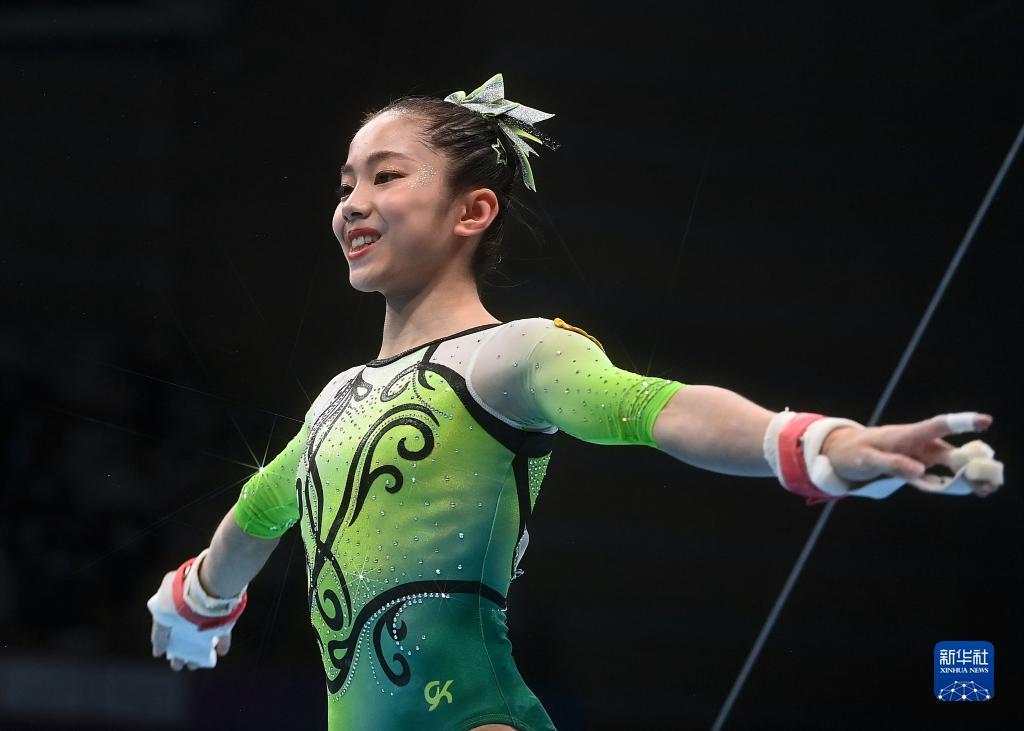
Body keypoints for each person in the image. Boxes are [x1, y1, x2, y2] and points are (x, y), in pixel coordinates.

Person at [147, 74, 1003, 731]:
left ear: (473, 210)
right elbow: (260, 509)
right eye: (344, 185)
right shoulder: (339, 397)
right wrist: (198, 600)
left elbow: (655, 407)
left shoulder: (512, 355)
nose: (352, 205)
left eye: (386, 176)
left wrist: (817, 445)